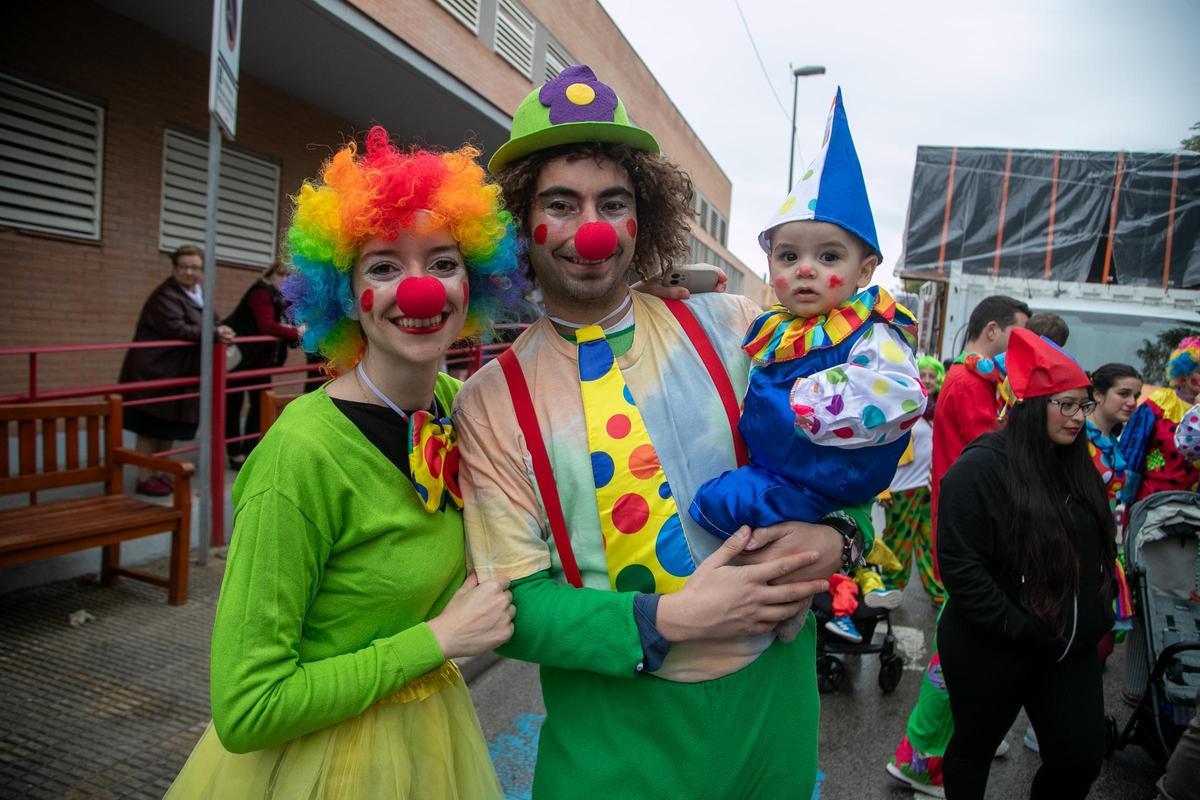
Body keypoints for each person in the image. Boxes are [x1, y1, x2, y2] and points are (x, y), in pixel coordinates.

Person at [456, 64, 873, 799]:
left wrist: (841, 537)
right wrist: (668, 618)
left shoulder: (739, 329)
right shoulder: (489, 402)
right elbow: (511, 608)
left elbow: (852, 458)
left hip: (772, 721)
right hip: (616, 749)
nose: (591, 228)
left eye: (612, 202)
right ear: (521, 224)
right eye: (562, 202)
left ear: (640, 217)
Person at [164, 128, 527, 799]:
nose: (418, 292)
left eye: (443, 263)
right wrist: (440, 638)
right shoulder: (301, 456)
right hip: (320, 766)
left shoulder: (464, 405)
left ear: (472, 282)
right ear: (342, 293)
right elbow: (248, 707)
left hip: (432, 738)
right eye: (383, 268)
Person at [688, 89, 923, 644]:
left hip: (818, 480)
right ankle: (790, 605)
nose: (806, 271)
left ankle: (786, 607)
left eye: (829, 257)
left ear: (865, 270)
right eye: (789, 256)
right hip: (784, 472)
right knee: (727, 508)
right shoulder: (775, 327)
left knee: (721, 505)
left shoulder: (872, 327)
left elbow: (900, 394)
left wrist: (807, 404)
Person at [938, 328, 1117, 799]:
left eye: (1084, 404)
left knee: (1080, 757)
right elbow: (960, 567)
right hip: (992, 645)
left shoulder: (1078, 464)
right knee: (973, 749)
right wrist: (1019, 627)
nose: (1079, 418)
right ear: (1034, 404)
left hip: (1067, 649)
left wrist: (1099, 609)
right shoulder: (981, 468)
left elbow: (1098, 547)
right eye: (1067, 404)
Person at [888, 295, 1028, 797]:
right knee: (960, 646)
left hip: (969, 526)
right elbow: (989, 452)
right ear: (992, 330)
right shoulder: (969, 383)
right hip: (967, 529)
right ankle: (922, 757)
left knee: (971, 646)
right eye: (1018, 338)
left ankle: (963, 738)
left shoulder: (980, 380)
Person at [118, 245, 234, 496]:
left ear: (202, 271)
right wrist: (215, 333)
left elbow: (211, 320)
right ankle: (144, 476)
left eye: (194, 267)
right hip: (154, 373)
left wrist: (220, 329)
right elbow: (177, 327)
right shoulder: (165, 295)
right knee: (149, 428)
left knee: (166, 427)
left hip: (175, 373)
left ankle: (159, 472)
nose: (189, 272)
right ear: (174, 269)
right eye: (183, 266)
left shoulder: (197, 294)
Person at [879, 354, 946, 610]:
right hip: (901, 489)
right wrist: (883, 490)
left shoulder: (936, 411)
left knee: (930, 543)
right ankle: (889, 589)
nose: (928, 380)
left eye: (933, 376)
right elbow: (885, 446)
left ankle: (938, 594)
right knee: (898, 542)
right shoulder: (906, 405)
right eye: (924, 375)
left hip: (926, 488)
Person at [222, 261, 300, 468]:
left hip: (258, 362)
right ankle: (234, 452)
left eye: (289, 276)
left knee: (260, 403)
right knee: (234, 405)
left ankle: (251, 448)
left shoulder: (279, 298)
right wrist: (297, 332)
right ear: (270, 274)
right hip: (240, 358)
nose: (285, 280)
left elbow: (286, 320)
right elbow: (266, 326)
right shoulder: (261, 292)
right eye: (281, 275)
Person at [1120, 337, 1200, 504]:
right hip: (1151, 504)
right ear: (1183, 374)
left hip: (1193, 507)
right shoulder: (1158, 404)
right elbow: (1132, 449)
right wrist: (1125, 497)